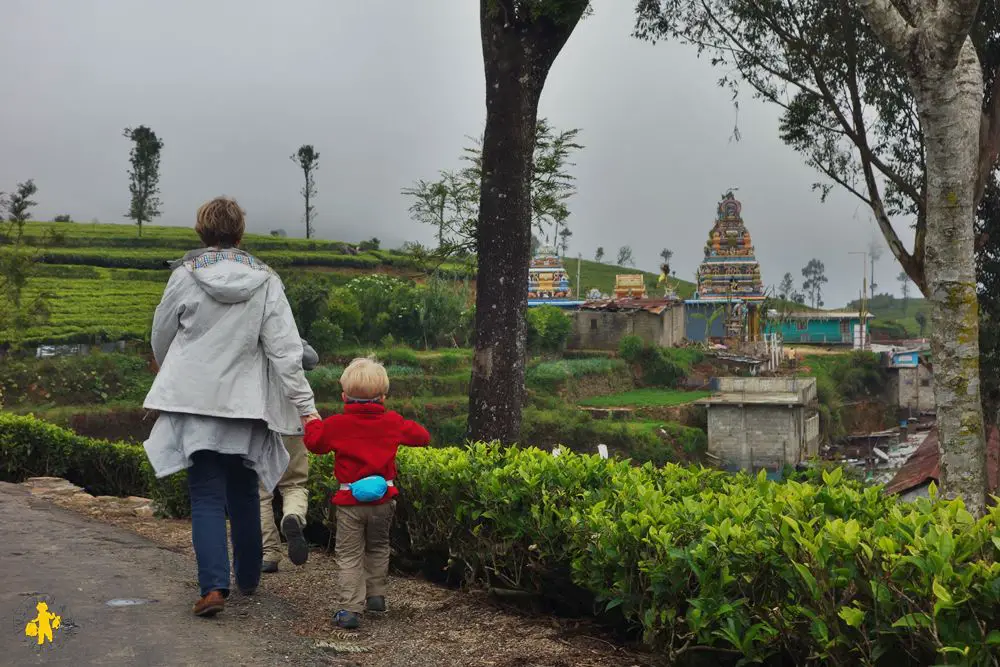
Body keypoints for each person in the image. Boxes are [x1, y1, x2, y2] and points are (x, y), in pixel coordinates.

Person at [143, 196, 319, 617]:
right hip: (247, 404)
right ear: (240, 234)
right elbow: (285, 351)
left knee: (205, 495)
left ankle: (214, 589)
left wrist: (173, 373)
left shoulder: (184, 276)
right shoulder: (266, 279)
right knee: (244, 489)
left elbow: (161, 334)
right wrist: (307, 408)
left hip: (195, 400)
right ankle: (250, 577)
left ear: (201, 232)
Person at [303, 357, 430, 629]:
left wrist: (313, 422)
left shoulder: (337, 424)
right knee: (378, 547)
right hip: (383, 500)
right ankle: (376, 597)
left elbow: (315, 444)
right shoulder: (392, 421)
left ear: (344, 396)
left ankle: (350, 609)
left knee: (350, 554)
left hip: (350, 502)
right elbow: (422, 437)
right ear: (383, 396)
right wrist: (399, 424)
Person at [260, 338, 319, 573]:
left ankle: (269, 554)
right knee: (294, 483)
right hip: (293, 421)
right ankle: (292, 516)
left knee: (261, 492)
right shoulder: (287, 334)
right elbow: (312, 360)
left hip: (259, 425)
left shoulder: (246, 334)